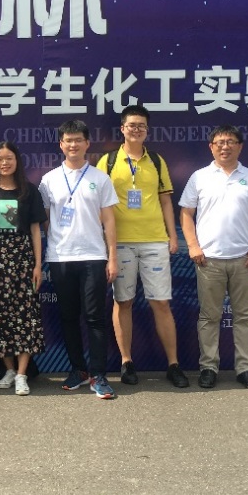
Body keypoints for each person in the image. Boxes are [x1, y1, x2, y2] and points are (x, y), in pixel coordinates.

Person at [96, 105, 189, 388]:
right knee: (122, 302)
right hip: (120, 243)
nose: (136, 130)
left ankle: (173, 364)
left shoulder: (157, 161)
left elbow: (165, 201)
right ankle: (126, 362)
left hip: (154, 241)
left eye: (141, 126)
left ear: (147, 130)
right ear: (122, 129)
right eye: (131, 125)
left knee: (160, 303)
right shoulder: (108, 162)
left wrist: (173, 236)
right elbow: (98, 205)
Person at [179, 125, 248, 391]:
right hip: (208, 260)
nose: (225, 146)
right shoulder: (199, 177)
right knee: (209, 317)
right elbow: (186, 213)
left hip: (244, 259)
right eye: (220, 142)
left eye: (231, 141)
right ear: (211, 147)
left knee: (244, 317)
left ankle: (245, 369)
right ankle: (208, 367)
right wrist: (193, 246)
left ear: (239, 146)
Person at [39, 119, 120, 400]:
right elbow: (45, 219)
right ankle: (78, 370)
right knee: (68, 317)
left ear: (87, 143)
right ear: (61, 145)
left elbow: (109, 220)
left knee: (95, 318)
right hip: (61, 257)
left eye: (78, 140)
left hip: (93, 256)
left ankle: (99, 375)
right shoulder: (49, 180)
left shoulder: (100, 178)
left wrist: (112, 257)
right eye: (68, 140)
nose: (73, 145)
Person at [0, 141, 46, 396]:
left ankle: (23, 374)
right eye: (0, 159)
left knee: (25, 316)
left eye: (9, 158)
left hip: (23, 258)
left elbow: (36, 230)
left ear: (17, 161)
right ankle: (9, 370)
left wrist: (38, 265)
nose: (4, 163)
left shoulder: (29, 191)